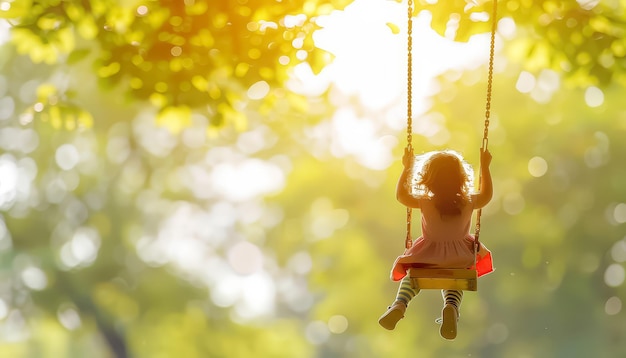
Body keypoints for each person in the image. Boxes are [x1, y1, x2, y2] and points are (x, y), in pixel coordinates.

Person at [378, 148, 494, 340]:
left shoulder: (425, 202)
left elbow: (401, 196)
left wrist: (407, 168)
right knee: (455, 279)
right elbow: (487, 195)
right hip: (459, 258)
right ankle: (451, 306)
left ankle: (400, 304)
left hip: (427, 257)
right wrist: (485, 167)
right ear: (461, 178)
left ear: (428, 179)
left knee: (412, 277)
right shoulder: (469, 201)